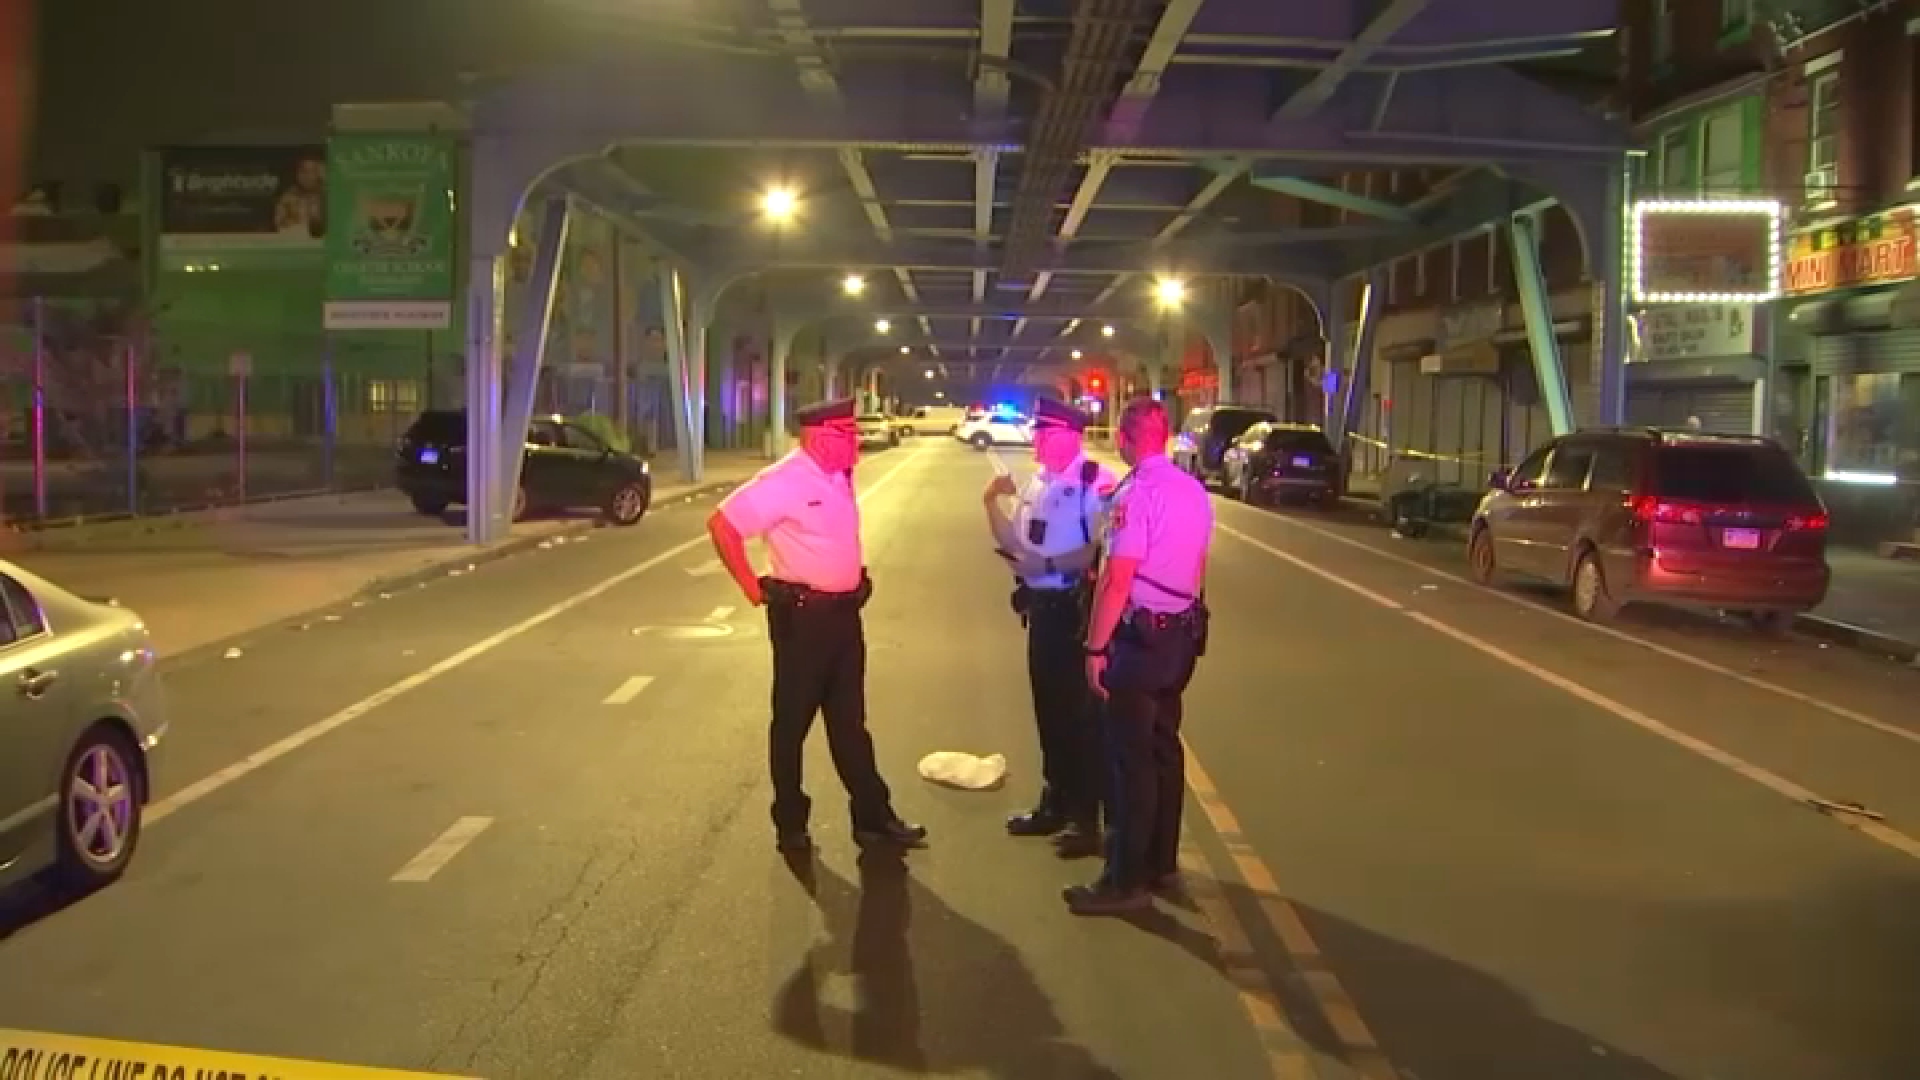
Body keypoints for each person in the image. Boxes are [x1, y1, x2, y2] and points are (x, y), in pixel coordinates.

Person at [706, 397, 928, 856]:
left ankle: (873, 818)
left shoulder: (839, 474)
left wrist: (855, 576)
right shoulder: (783, 481)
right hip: (802, 622)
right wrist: (752, 587)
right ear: (819, 438)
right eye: (847, 434)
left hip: (845, 618)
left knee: (850, 725)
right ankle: (790, 823)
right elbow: (722, 525)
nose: (857, 443)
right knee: (791, 726)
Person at [1068, 397, 1214, 916]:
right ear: (1167, 435)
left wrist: (1095, 646)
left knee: (1131, 763)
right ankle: (1161, 863)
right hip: (1180, 635)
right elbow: (1197, 565)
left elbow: (1117, 576)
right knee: (1163, 749)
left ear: (1126, 438)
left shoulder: (1138, 493)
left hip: (1140, 637)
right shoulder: (1194, 490)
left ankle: (1124, 880)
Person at [981, 398, 1117, 858]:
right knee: (1048, 710)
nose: (1035, 439)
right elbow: (1017, 543)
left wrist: (1052, 563)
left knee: (1079, 717)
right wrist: (990, 502)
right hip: (1041, 609)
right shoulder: (1038, 482)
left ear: (1068, 436)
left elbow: (1103, 549)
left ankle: (1085, 817)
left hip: (1075, 611)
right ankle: (1054, 800)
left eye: (1043, 432)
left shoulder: (1094, 483)